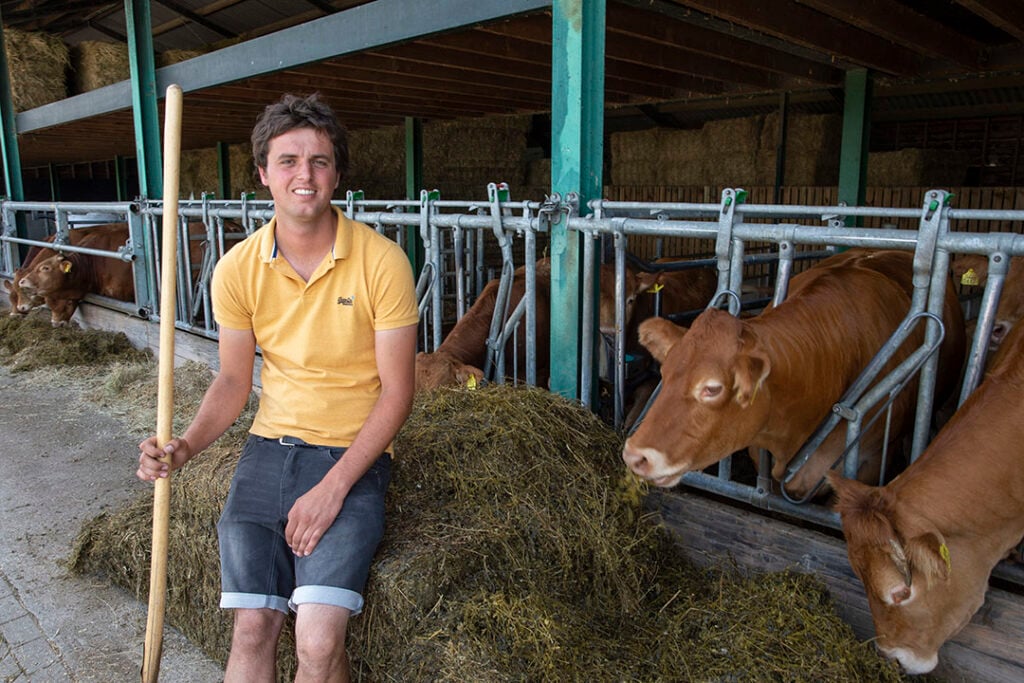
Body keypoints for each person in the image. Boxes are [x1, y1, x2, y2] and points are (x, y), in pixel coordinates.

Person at [137, 92, 419, 682]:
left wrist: (335, 487)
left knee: (316, 644)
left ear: (338, 174)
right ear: (263, 173)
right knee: (252, 627)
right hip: (268, 452)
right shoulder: (236, 268)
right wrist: (183, 448)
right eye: (287, 161)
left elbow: (398, 392)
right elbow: (235, 380)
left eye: (319, 161)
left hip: (351, 455)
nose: (304, 175)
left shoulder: (381, 262)